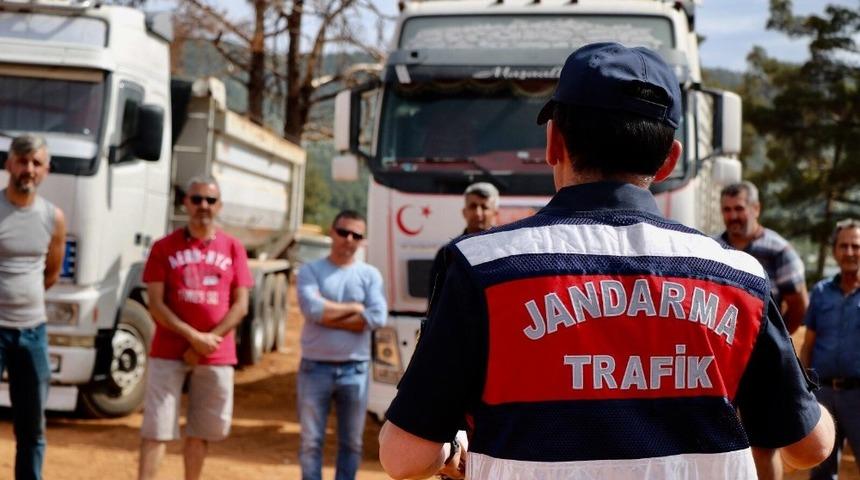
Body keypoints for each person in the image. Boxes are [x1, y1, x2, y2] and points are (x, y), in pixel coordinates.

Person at [378, 42, 834, 480]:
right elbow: (808, 448)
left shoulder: (483, 269)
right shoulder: (739, 279)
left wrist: (453, 453)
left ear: (553, 143)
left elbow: (403, 457)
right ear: (669, 161)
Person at [137, 176, 253, 480]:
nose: (204, 206)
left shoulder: (233, 248)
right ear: (186, 203)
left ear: (219, 206)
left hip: (216, 355)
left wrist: (209, 341)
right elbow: (156, 304)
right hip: (168, 351)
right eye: (197, 199)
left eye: (210, 200)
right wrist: (193, 337)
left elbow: (241, 305)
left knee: (201, 431)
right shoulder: (164, 247)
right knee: (156, 429)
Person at [296, 210, 387, 480]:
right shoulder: (311, 271)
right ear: (331, 232)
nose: (348, 239)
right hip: (314, 369)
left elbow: (377, 317)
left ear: (363, 241)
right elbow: (312, 310)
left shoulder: (370, 275)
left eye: (356, 235)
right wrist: (355, 309)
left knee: (351, 444)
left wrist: (329, 315)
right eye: (343, 232)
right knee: (311, 443)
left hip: (355, 370)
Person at [0, 134, 66, 480]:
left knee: (32, 426)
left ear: (46, 170)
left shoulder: (53, 218)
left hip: (32, 333)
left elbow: (51, 272)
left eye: (36, 163)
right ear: (8, 165)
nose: (28, 170)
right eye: (22, 162)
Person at [801, 219, 860, 480]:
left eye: (856, 246)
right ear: (835, 251)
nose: (849, 252)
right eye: (843, 246)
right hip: (823, 395)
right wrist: (804, 390)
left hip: (858, 396)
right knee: (822, 470)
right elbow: (808, 345)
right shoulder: (821, 292)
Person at [718, 181, 808, 334]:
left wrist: (779, 338)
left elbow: (798, 305)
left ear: (756, 209)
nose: (733, 216)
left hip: (762, 348)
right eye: (727, 210)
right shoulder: (713, 248)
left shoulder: (779, 250)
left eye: (739, 209)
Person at [427, 182, 500, 305]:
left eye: (484, 207)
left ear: (495, 213)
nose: (478, 213)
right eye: (473, 206)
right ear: (464, 212)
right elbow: (435, 301)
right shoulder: (448, 253)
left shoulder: (506, 251)